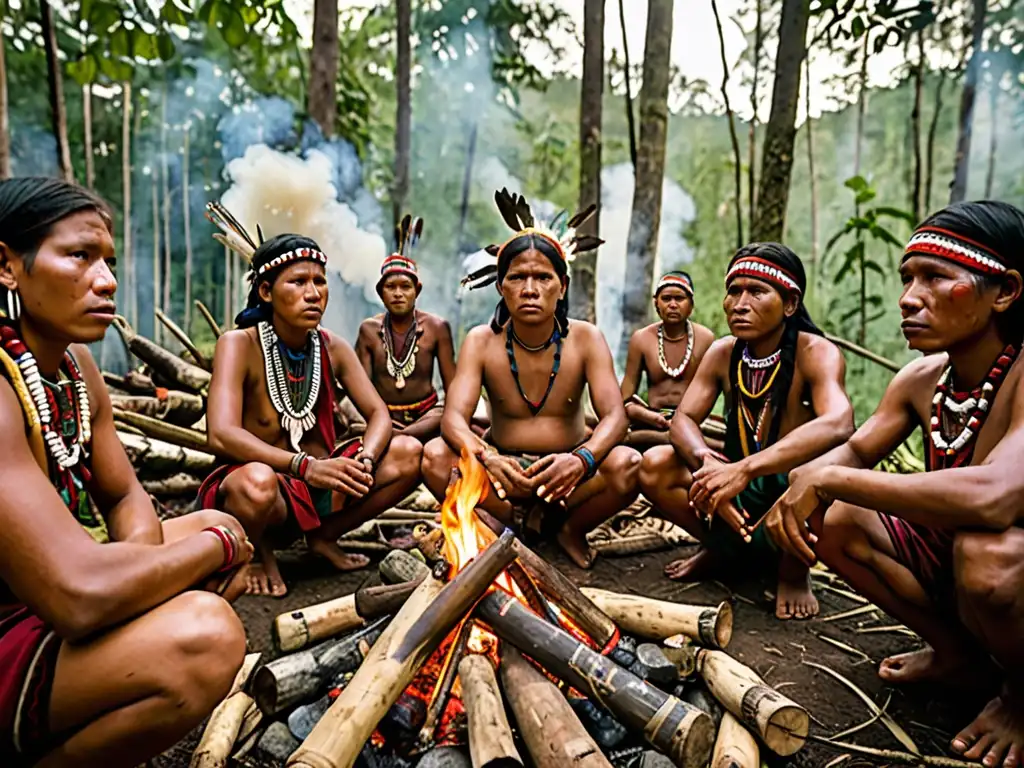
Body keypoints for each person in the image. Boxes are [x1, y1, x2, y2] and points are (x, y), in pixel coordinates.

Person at [0, 178, 250, 768]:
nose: (107, 280)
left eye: (108, 260)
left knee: (211, 518)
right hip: (21, 617)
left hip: (55, 592)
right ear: (7, 268)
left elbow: (124, 493)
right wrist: (214, 550)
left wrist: (138, 573)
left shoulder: (74, 366)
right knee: (207, 638)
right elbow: (78, 598)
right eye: (79, 256)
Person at [764, 201, 1024, 767]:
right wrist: (805, 483)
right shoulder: (922, 379)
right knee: (833, 518)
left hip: (1004, 561)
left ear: (1003, 291)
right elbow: (855, 448)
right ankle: (958, 656)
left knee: (990, 557)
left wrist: (830, 476)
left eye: (935, 278)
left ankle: (1019, 697)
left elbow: (997, 498)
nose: (908, 297)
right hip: (957, 557)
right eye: (907, 278)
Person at [202, 208, 422, 597]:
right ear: (266, 292)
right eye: (298, 281)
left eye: (320, 281)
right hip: (260, 494)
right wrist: (304, 466)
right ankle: (253, 553)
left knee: (407, 452)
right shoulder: (239, 344)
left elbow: (378, 416)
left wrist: (366, 459)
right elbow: (220, 435)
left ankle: (323, 538)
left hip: (318, 490)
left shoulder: (331, 346)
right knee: (256, 483)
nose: (313, 293)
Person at [422, 189, 640, 569]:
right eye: (518, 277)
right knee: (434, 458)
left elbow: (616, 418)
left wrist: (581, 460)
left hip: (570, 475)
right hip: (502, 474)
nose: (529, 289)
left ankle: (568, 529)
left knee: (628, 464)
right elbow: (453, 419)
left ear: (563, 286)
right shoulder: (481, 341)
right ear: (500, 287)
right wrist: (488, 458)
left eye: (542, 277)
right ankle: (509, 526)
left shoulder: (586, 338)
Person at [640, 243, 853, 619]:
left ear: (789, 304)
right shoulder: (724, 353)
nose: (739, 303)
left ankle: (793, 573)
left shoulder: (816, 352)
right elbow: (684, 420)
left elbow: (839, 422)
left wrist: (745, 469)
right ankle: (722, 551)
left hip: (788, 487)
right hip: (735, 485)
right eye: (733, 291)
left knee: (813, 476)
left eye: (756, 292)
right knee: (655, 464)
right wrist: (709, 465)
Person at [356, 216, 456, 443]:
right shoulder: (369, 331)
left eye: (405, 287)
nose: (398, 293)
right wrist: (380, 422)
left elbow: (453, 390)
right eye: (390, 287)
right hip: (381, 417)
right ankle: (392, 434)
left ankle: (399, 436)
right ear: (380, 293)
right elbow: (360, 392)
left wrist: (406, 432)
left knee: (447, 413)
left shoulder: (436, 328)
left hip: (427, 417)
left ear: (417, 291)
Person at [620, 271, 715, 450]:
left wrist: (686, 419)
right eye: (666, 298)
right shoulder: (641, 339)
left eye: (679, 298)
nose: (672, 305)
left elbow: (714, 391)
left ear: (691, 305)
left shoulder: (706, 339)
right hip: (653, 420)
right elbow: (624, 397)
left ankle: (676, 435)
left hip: (694, 421)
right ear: (656, 303)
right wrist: (647, 416)